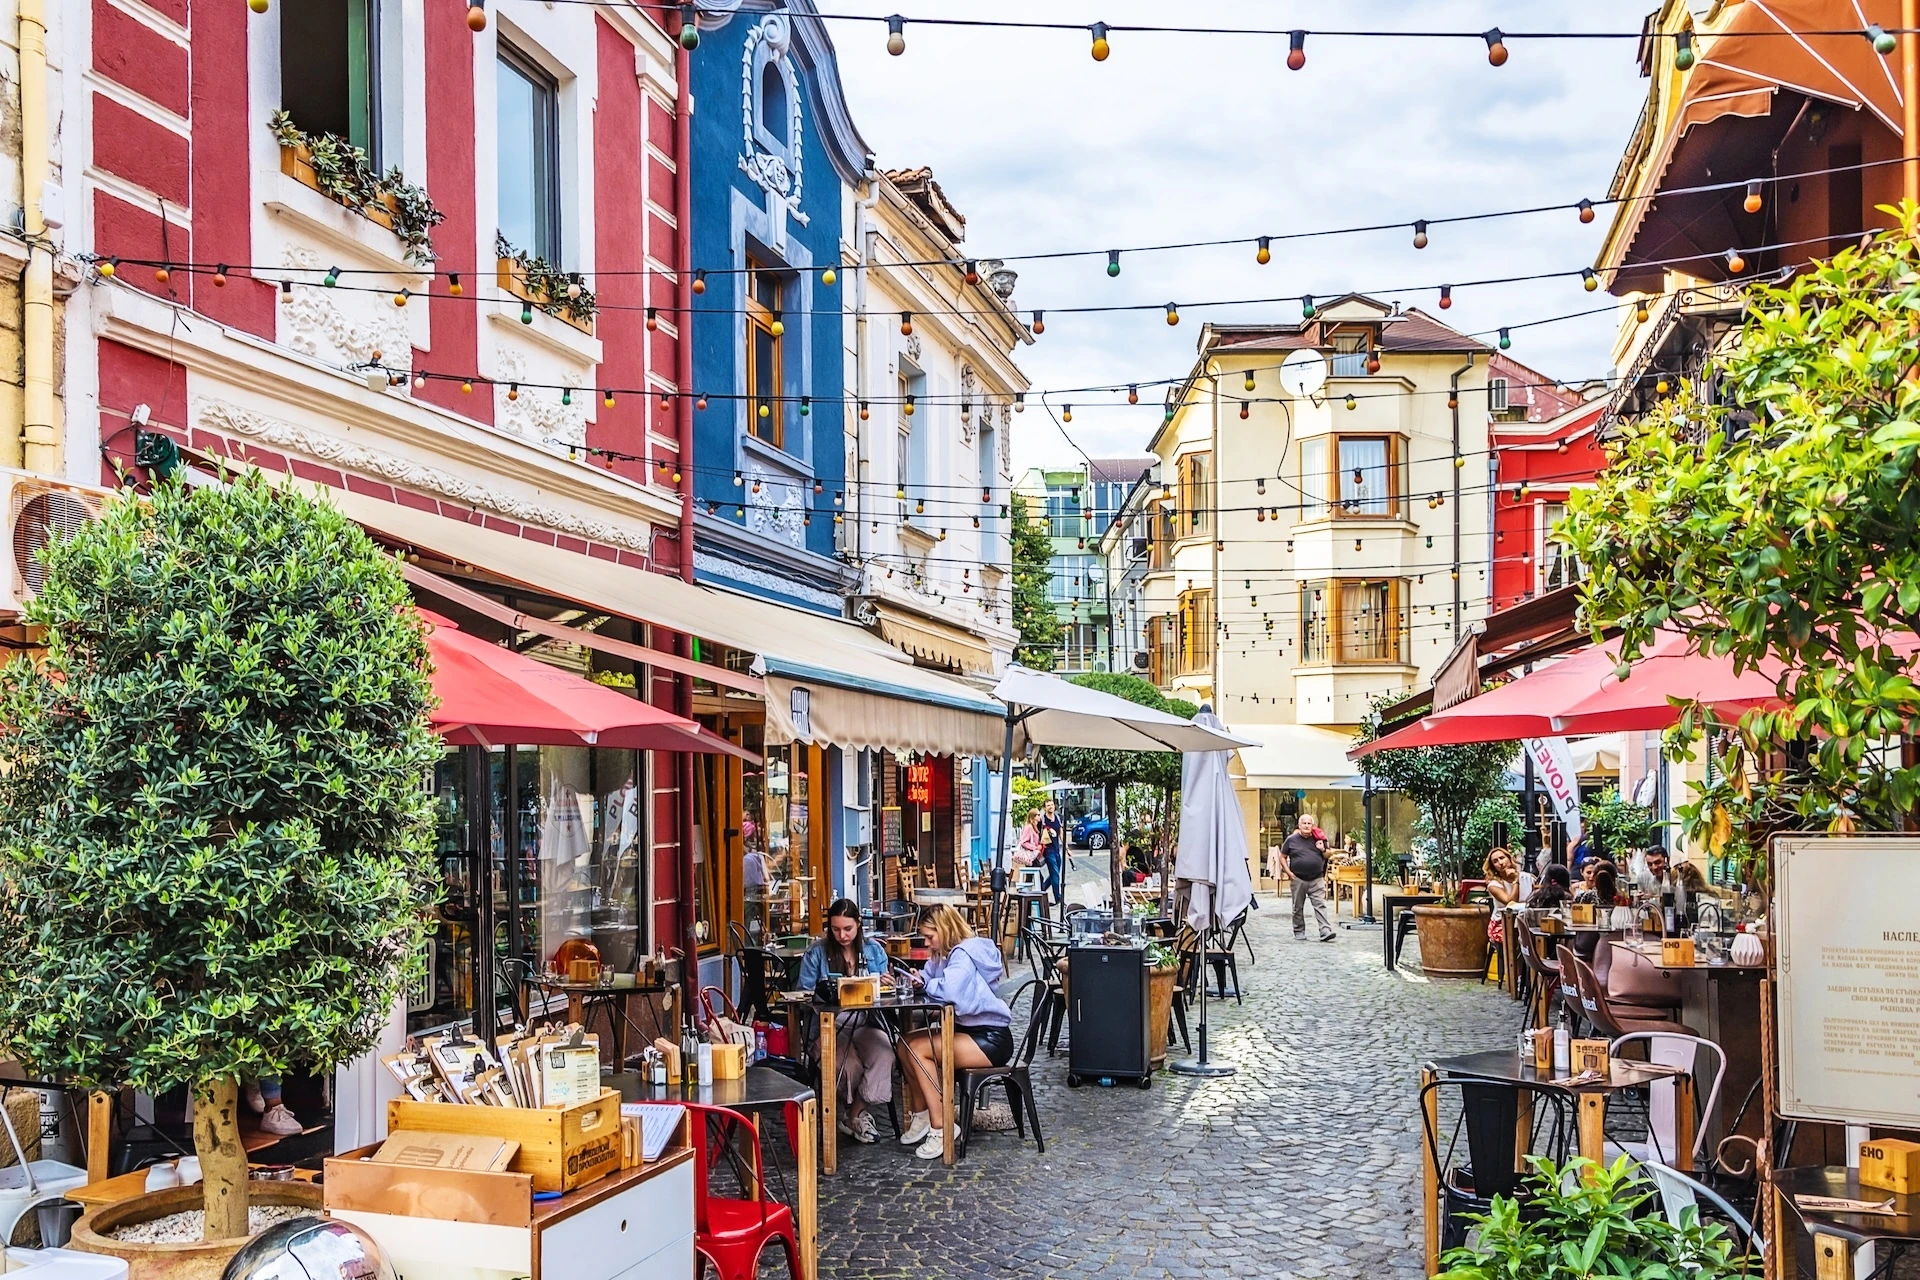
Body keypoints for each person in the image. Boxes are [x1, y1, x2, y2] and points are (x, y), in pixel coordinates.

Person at [896, 905, 1013, 1161]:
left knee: (918, 1049)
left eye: (929, 936)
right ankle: (923, 1115)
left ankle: (942, 1127)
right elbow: (931, 976)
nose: (927, 943)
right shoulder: (945, 954)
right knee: (905, 1043)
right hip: (968, 1032)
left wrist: (926, 983)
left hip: (989, 1038)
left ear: (945, 929)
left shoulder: (963, 955)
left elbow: (952, 992)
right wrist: (918, 978)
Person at [797, 899, 893, 1145]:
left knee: (885, 1053)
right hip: (829, 1026)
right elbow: (802, 995)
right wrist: (822, 993)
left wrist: (885, 983)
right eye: (836, 929)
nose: (842, 935)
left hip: (865, 1023)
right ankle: (855, 1116)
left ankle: (854, 1113)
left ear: (859, 925)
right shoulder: (817, 953)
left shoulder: (873, 951)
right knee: (847, 1066)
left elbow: (885, 993)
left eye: (848, 929)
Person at [1281, 812, 1335, 942]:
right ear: (1299, 825)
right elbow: (1282, 857)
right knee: (1297, 907)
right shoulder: (1291, 840)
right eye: (1303, 823)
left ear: (1313, 825)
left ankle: (1325, 930)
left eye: (1309, 823)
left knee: (1320, 905)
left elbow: (1329, 855)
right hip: (1298, 878)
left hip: (1316, 878)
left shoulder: (1319, 838)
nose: (1306, 825)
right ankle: (1299, 931)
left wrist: (1322, 849)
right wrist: (1289, 872)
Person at [1484, 847, 1521, 945]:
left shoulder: (1524, 876)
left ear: (1509, 858)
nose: (1500, 863)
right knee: (1519, 938)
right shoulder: (1493, 885)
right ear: (1493, 867)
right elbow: (1511, 903)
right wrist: (1516, 881)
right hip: (1501, 923)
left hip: (1521, 920)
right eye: (1495, 861)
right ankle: (1511, 960)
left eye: (1502, 858)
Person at [1038, 799, 1066, 907]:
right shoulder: (1043, 820)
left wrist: (1066, 848)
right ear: (1044, 808)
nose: (1050, 807)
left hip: (1056, 849)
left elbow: (1061, 833)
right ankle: (1058, 898)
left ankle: (1042, 889)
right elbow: (1038, 832)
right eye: (1048, 805)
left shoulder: (1057, 818)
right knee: (1055, 874)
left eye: (1052, 805)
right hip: (1047, 850)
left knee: (1056, 874)